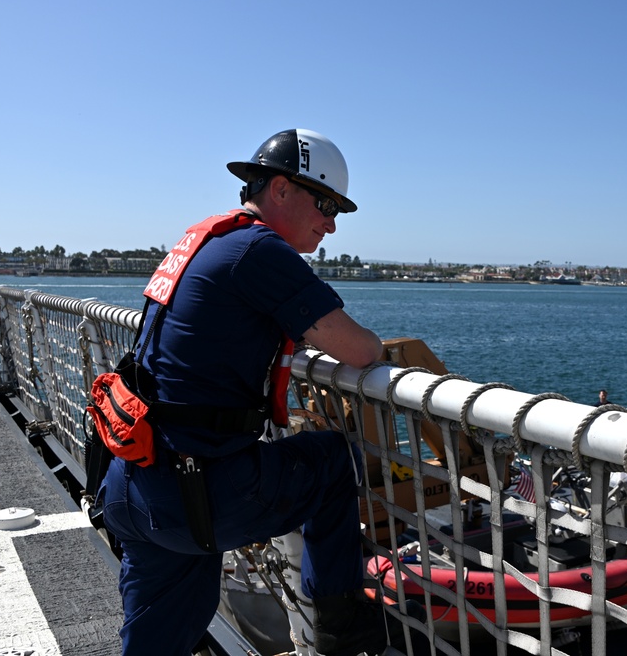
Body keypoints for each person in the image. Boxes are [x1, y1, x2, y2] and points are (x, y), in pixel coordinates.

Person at [99, 129, 406, 656]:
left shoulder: (206, 241)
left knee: (158, 637)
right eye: (326, 204)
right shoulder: (259, 251)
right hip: (194, 495)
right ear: (281, 189)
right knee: (331, 460)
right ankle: (341, 627)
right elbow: (359, 350)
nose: (332, 224)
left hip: (132, 484)